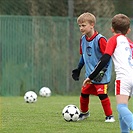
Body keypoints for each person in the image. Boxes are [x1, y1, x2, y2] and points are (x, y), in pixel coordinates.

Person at [83, 14, 133, 133]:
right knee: (123, 107)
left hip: (124, 78)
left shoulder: (113, 40)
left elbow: (105, 59)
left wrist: (91, 76)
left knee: (121, 107)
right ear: (129, 30)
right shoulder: (130, 42)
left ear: (112, 29)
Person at [72, 12, 115, 122]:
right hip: (89, 75)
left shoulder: (100, 39)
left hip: (101, 74)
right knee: (84, 94)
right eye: (79, 26)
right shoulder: (83, 39)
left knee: (102, 94)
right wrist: (78, 68)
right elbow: (83, 56)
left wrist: (100, 72)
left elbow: (107, 57)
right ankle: (84, 113)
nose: (81, 28)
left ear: (92, 25)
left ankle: (109, 116)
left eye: (83, 25)